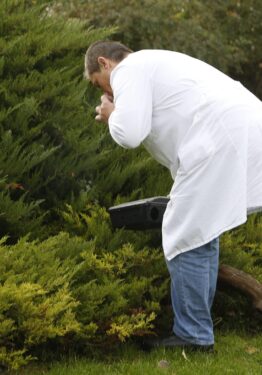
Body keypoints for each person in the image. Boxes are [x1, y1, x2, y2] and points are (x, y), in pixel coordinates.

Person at [84, 40, 262, 351]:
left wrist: (112, 115)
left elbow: (129, 134)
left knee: (182, 231)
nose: (105, 93)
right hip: (238, 131)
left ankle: (193, 336)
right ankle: (197, 333)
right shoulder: (155, 64)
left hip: (219, 139)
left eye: (97, 84)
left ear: (104, 63)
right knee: (200, 231)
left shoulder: (129, 69)